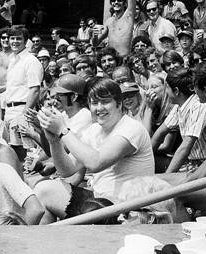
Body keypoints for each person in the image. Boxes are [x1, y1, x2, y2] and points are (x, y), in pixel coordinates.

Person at [37, 78, 154, 220]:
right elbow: (67, 170)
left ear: (119, 104)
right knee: (43, 191)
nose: (99, 108)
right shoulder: (94, 130)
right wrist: (54, 141)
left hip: (129, 210)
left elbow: (96, 163)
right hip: (102, 202)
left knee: (44, 191)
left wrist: (63, 130)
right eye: (94, 103)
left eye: (105, 102)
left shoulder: (132, 128)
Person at [3, 25, 43, 161]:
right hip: (9, 111)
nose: (14, 41)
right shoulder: (12, 59)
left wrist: (23, 115)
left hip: (22, 110)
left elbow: (35, 89)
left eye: (18, 38)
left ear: (26, 41)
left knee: (24, 154)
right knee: (12, 152)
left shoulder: (31, 61)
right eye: (12, 38)